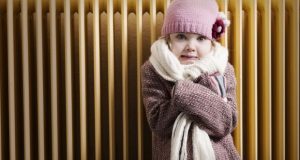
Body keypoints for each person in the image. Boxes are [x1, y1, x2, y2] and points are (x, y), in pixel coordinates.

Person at [141, 0, 240, 159]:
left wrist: (185, 92)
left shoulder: (222, 69)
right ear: (169, 39)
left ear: (211, 41)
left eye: (200, 38)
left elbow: (226, 122)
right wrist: (194, 94)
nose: (191, 46)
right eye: (181, 37)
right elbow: (158, 122)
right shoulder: (153, 70)